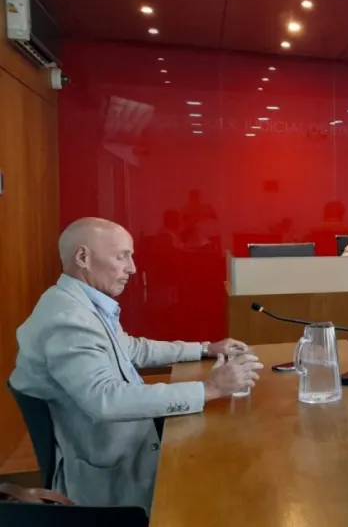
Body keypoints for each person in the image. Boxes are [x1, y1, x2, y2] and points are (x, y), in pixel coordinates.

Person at [9, 217, 263, 511]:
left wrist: (206, 348)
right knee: (234, 477)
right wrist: (210, 388)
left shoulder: (80, 302)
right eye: (122, 257)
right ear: (82, 257)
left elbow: (132, 348)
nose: (131, 268)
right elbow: (106, 399)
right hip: (115, 478)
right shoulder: (68, 320)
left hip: (132, 440)